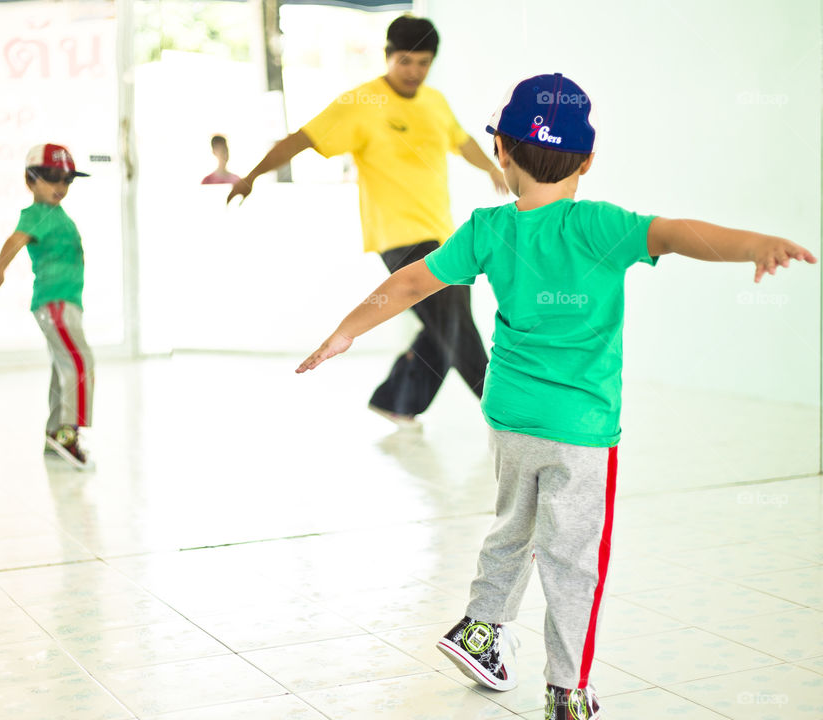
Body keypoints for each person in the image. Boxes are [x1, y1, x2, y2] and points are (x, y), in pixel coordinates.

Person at [296, 73, 816, 719]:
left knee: (514, 525)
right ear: (589, 160)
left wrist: (344, 332)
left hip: (511, 417)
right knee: (574, 559)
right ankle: (568, 691)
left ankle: (482, 628)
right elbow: (680, 233)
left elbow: (407, 284)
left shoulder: (487, 229)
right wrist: (754, 246)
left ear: (504, 152)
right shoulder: (603, 225)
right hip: (581, 429)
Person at [228, 15, 506, 428]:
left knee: (442, 327)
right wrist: (250, 175)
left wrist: (492, 169)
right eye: (405, 62)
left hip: (441, 233)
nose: (414, 72)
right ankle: (503, 411)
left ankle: (395, 399)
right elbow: (301, 139)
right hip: (397, 235)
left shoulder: (434, 102)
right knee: (452, 322)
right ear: (388, 57)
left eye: (423, 63)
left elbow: (462, 141)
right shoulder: (361, 103)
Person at [0, 143, 95, 471]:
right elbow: (16, 239)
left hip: (64, 301)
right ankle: (68, 434)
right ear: (30, 180)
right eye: (52, 178)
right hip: (55, 302)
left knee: (64, 366)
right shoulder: (39, 214)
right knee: (80, 362)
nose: (61, 186)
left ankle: (53, 432)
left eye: (67, 180)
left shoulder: (55, 214)